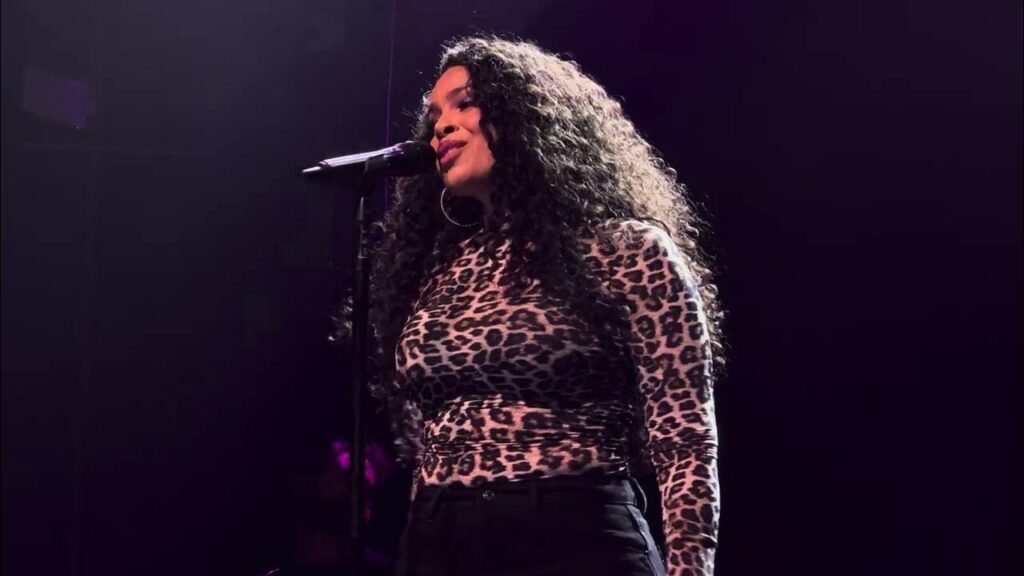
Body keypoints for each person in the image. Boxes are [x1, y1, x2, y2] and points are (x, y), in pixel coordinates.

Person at [364, 35, 723, 576]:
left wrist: (690, 569)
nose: (441, 126)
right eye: (434, 115)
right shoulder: (435, 266)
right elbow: (425, 433)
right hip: (439, 537)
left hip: (571, 533)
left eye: (465, 103)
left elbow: (683, 435)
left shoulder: (625, 250)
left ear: (523, 115)